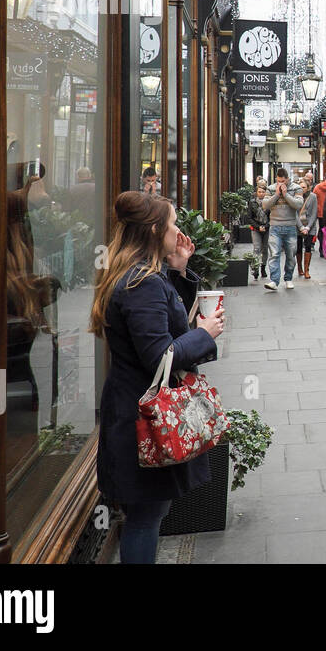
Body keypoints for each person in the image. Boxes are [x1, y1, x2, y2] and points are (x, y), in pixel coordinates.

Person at [90, 191, 224, 564]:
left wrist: (179, 269)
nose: (178, 230)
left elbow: (163, 320)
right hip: (143, 418)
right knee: (145, 519)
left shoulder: (136, 273)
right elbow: (159, 356)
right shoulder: (141, 282)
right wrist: (205, 334)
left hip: (133, 409)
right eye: (171, 223)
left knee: (148, 515)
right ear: (154, 229)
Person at [262, 168, 302, 291]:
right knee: (274, 254)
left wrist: (286, 194)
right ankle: (274, 280)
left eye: (283, 181)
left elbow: (298, 205)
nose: (281, 184)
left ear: (287, 179)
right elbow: (265, 205)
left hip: (290, 226)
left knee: (291, 255)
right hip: (275, 226)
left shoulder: (296, 188)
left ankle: (288, 278)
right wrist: (277, 195)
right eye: (278, 181)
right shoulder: (271, 188)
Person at [246, 184, 270, 279]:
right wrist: (258, 226)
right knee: (256, 248)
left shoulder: (269, 202)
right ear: (256, 193)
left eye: (263, 192)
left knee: (265, 249)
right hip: (255, 229)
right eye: (259, 192)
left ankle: (263, 267)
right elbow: (249, 217)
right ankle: (255, 268)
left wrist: (266, 226)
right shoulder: (252, 203)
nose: (261, 194)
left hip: (267, 229)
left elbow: (272, 216)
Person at [297, 176, 318, 279]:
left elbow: (314, 213)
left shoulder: (313, 197)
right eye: (300, 187)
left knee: (308, 246)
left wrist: (308, 227)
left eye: (304, 187)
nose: (302, 189)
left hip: (310, 226)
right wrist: (301, 227)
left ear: (308, 187)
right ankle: (300, 268)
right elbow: (295, 213)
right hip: (298, 226)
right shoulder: (296, 196)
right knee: (298, 247)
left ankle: (306, 270)